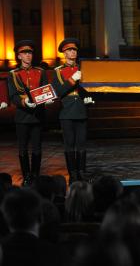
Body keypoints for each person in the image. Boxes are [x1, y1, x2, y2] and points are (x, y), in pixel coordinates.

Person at [7, 40, 51, 186]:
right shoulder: (13, 74)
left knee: (37, 147)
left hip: (37, 116)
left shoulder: (40, 71)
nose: (28, 56)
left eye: (30, 53)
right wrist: (25, 102)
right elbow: (13, 96)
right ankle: (26, 176)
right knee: (23, 147)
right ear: (19, 56)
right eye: (25, 53)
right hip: (22, 116)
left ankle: (36, 176)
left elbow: (45, 90)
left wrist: (48, 98)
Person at [52, 38, 94, 185]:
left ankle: (81, 172)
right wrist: (71, 80)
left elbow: (90, 87)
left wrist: (90, 98)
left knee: (81, 143)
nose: (72, 52)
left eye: (74, 50)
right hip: (66, 112)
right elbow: (57, 92)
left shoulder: (83, 68)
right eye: (69, 50)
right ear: (64, 53)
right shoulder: (58, 71)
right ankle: (73, 173)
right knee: (69, 144)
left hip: (81, 109)